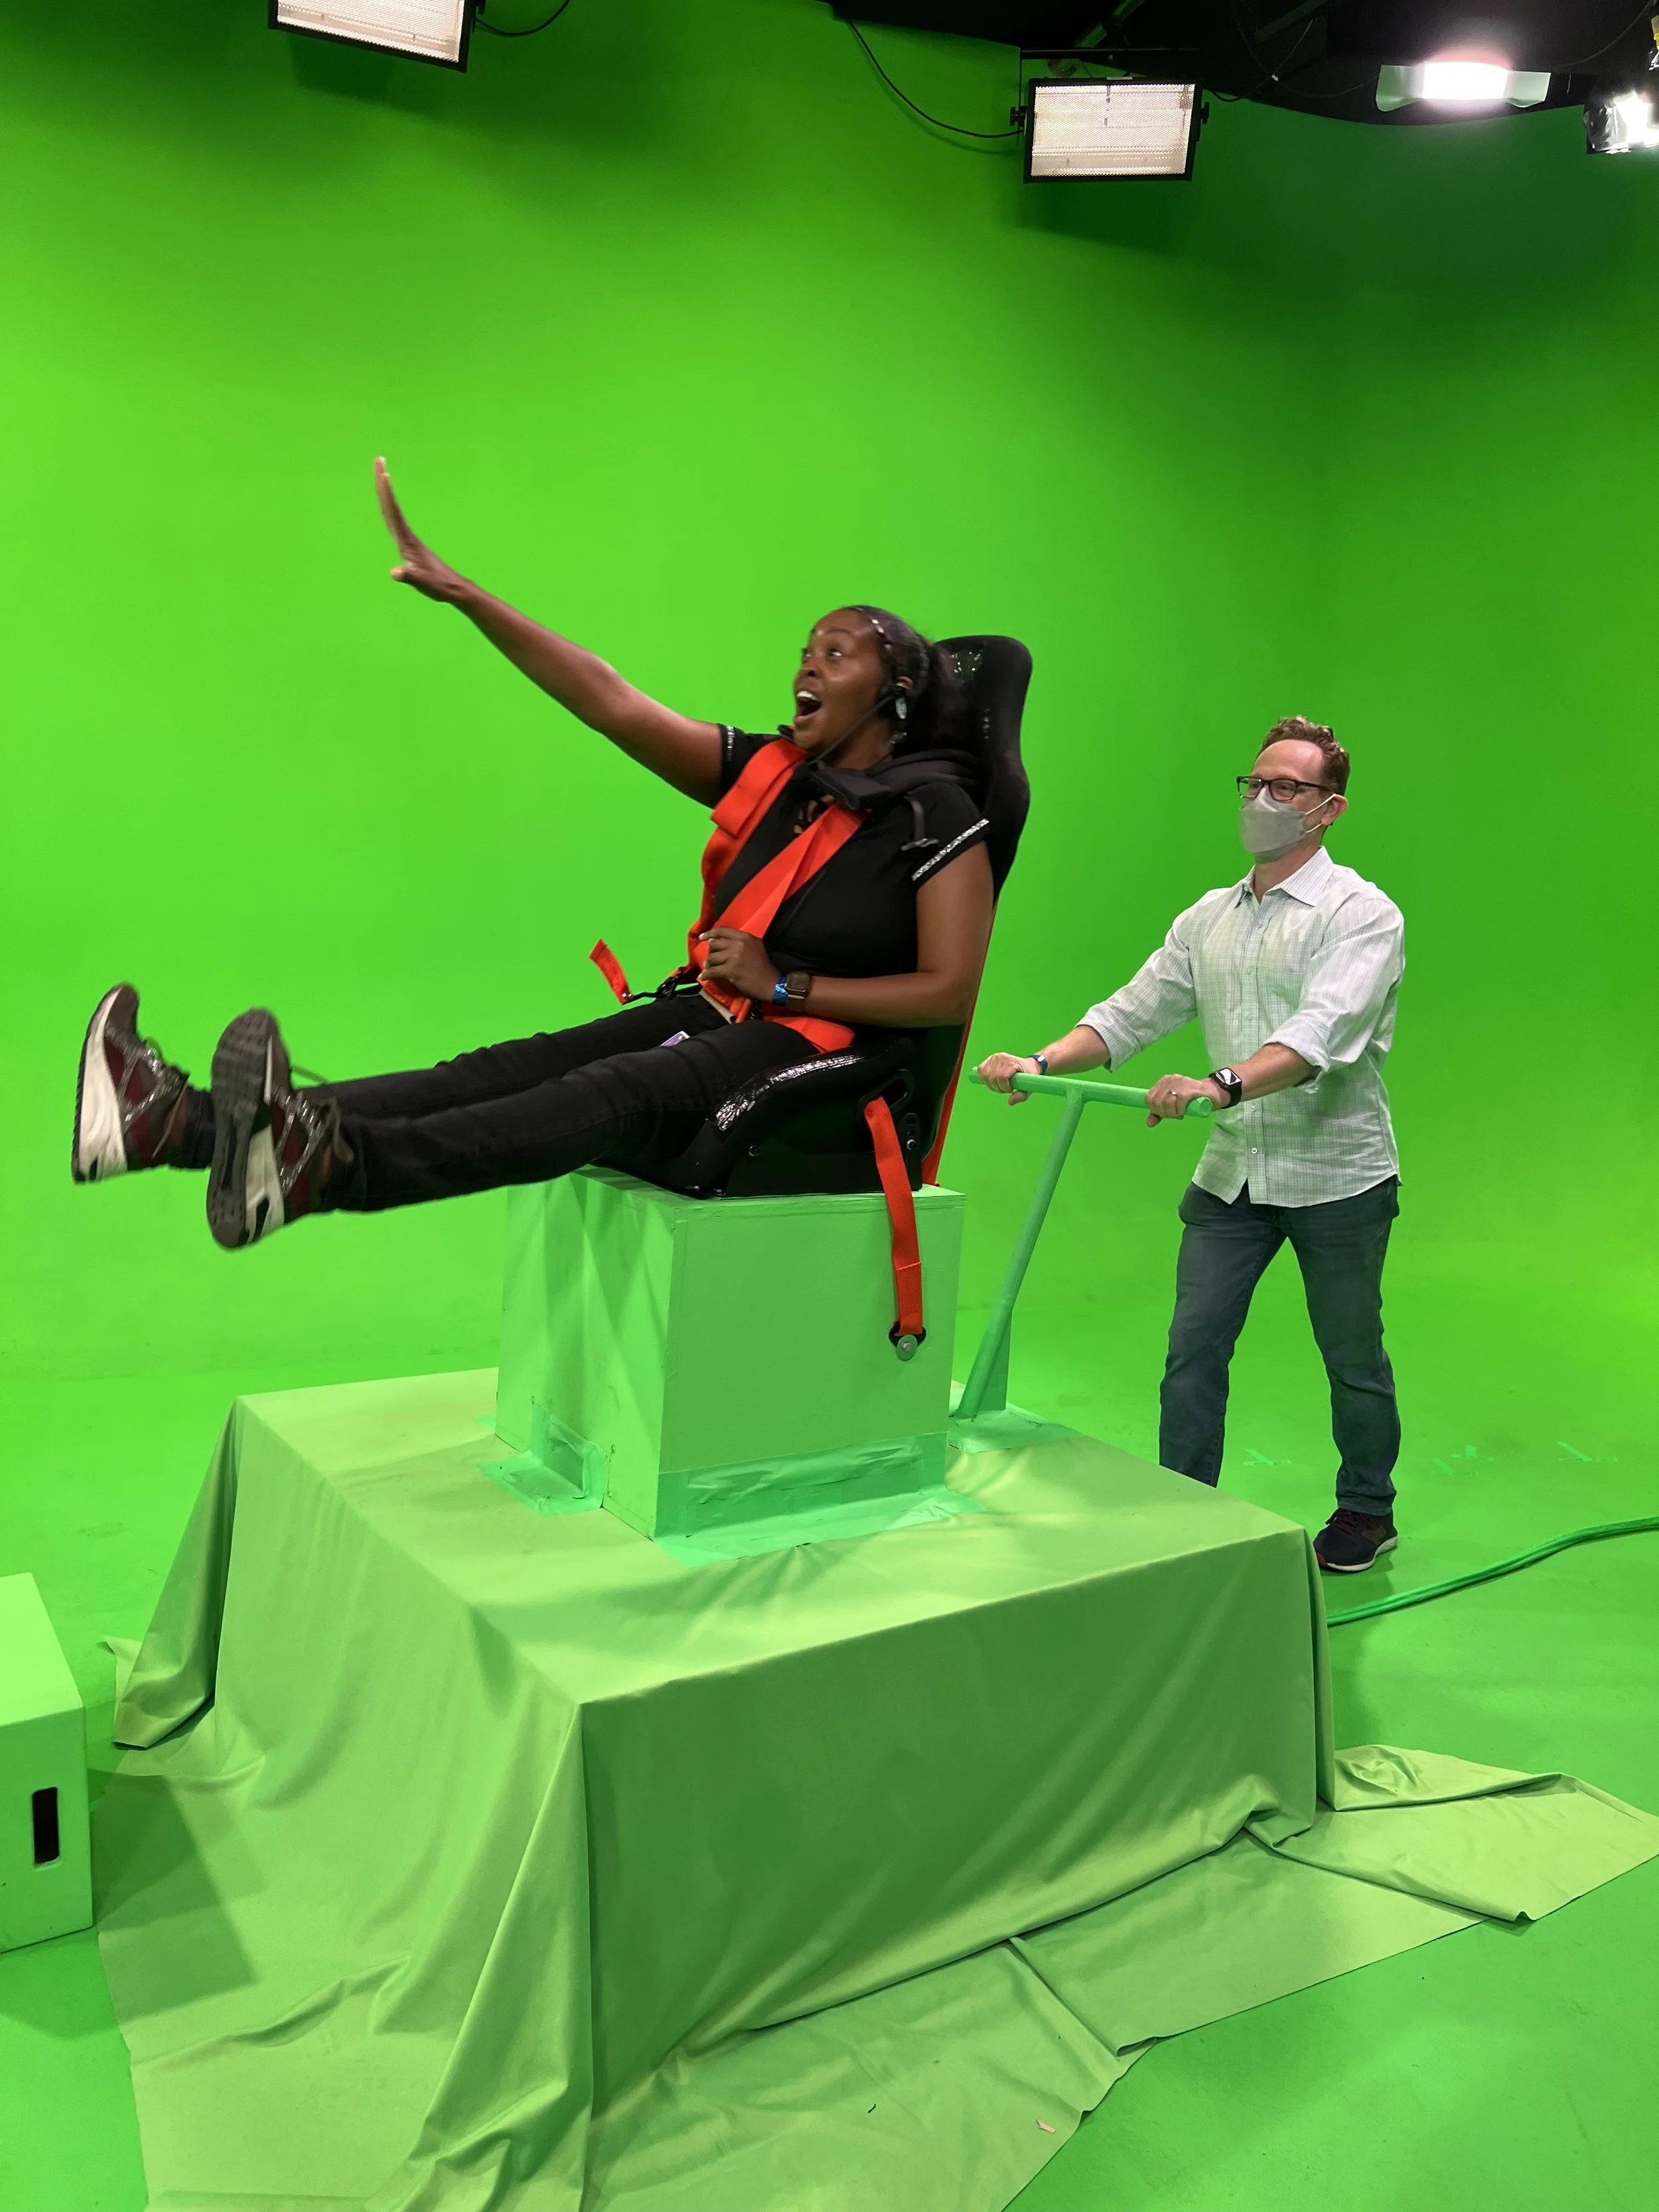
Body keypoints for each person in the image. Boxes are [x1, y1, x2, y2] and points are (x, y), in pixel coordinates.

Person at [72, 462, 995, 1247]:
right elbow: (609, 699)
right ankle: (169, 1123)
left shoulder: (937, 810)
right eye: (805, 650)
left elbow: (948, 993)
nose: (806, 666)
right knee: (492, 1075)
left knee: (613, 1091)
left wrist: (787, 984)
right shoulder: (781, 777)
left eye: (835, 653)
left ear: (895, 690)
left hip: (821, 1054)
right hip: (720, 1012)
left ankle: (331, 1167)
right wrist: (471, 599)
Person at [977, 718, 1405, 1574]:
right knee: (1194, 1347)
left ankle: (1367, 1509)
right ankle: (1187, 1508)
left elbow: (1319, 1034)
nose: (1263, 800)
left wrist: (1220, 1084)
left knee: (1351, 1354)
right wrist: (1041, 1063)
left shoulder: (1362, 914)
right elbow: (1133, 1011)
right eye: (1255, 783)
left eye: (1287, 787)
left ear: (1328, 808)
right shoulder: (1209, 918)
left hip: (1337, 1175)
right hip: (1232, 1175)